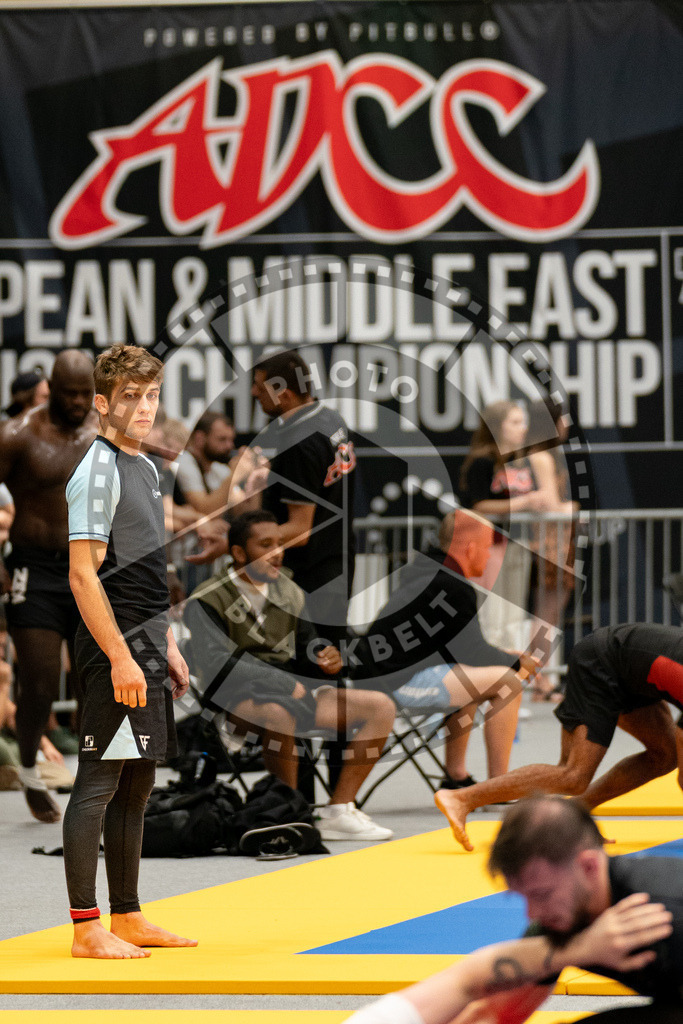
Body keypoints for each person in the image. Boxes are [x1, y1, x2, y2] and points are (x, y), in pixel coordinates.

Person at [64, 342, 196, 959]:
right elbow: (85, 575)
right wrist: (119, 655)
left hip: (143, 637)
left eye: (152, 396)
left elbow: (144, 567)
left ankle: (128, 913)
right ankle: (86, 926)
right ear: (101, 404)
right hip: (109, 644)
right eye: (130, 397)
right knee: (98, 782)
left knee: (137, 783)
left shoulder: (146, 467)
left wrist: (164, 641)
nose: (144, 408)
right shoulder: (97, 469)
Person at [346, 796, 680, 1023]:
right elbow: (494, 1013)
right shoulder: (563, 914)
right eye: (523, 897)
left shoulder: (665, 912)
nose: (532, 912)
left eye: (542, 894)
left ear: (590, 865)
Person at [183, 510, 396, 841]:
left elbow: (308, 646)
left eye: (280, 543)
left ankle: (339, 809)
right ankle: (289, 810)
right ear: (239, 553)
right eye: (265, 545)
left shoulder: (290, 591)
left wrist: (327, 659)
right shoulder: (207, 598)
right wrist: (282, 683)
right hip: (233, 698)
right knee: (278, 714)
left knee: (380, 706)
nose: (277, 552)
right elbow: (216, 664)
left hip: (293, 689)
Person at [436, 623, 683, 852]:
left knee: (665, 755)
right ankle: (461, 798)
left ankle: (573, 817)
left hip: (632, 668)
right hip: (601, 661)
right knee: (572, 775)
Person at [352, 509, 542, 787]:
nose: (490, 557)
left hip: (380, 673)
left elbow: (462, 648)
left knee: (472, 677)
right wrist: (519, 664)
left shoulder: (426, 571)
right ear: (471, 548)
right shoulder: (452, 585)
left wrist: (505, 657)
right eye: (488, 548)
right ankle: (499, 786)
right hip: (393, 683)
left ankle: (456, 776)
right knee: (508, 682)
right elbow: (474, 652)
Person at [0, 350, 96, 822]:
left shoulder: (104, 433)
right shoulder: (18, 435)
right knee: (38, 681)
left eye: (86, 393)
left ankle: (91, 781)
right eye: (70, 393)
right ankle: (33, 774)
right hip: (33, 571)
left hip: (89, 570)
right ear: (51, 389)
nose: (79, 402)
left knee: (90, 681)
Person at [459, 400, 555, 653]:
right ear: (497, 427)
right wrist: (524, 502)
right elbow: (478, 505)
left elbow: (539, 498)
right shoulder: (483, 461)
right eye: (514, 422)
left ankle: (508, 670)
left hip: (518, 543)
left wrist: (539, 503)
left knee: (514, 610)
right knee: (492, 609)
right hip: (488, 545)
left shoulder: (523, 462)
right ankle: (488, 665)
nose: (522, 428)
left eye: (522, 422)